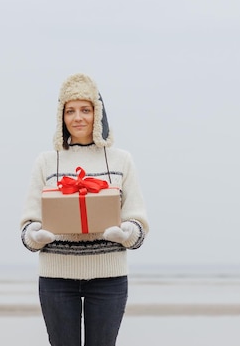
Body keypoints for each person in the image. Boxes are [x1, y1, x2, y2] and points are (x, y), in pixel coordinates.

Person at [20, 73, 149, 346]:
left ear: (98, 114)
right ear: (61, 117)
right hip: (56, 279)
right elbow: (27, 228)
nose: (78, 118)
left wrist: (125, 231)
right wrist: (37, 236)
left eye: (86, 110)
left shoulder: (121, 160)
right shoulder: (46, 162)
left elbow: (139, 229)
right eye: (70, 111)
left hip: (108, 279)